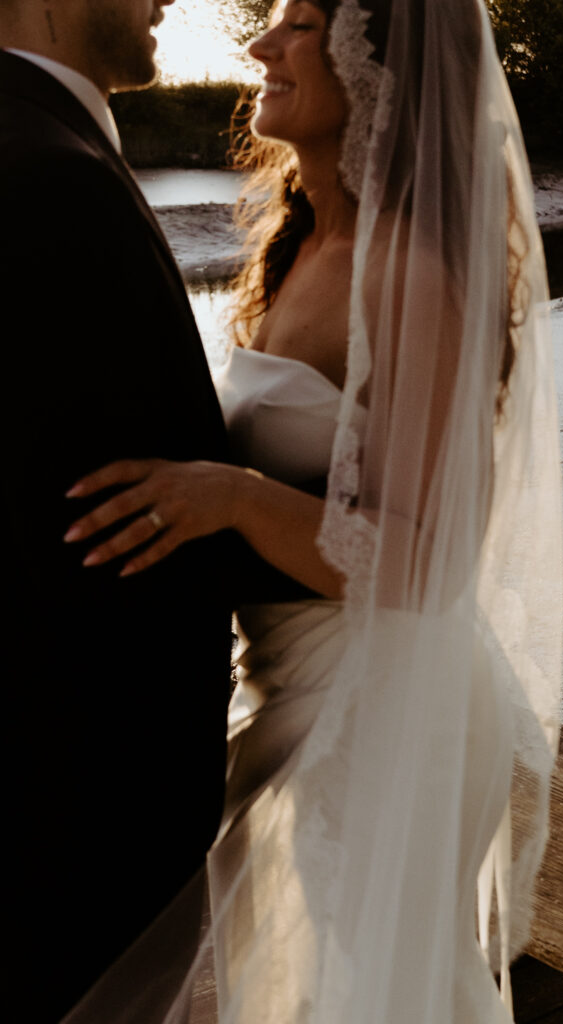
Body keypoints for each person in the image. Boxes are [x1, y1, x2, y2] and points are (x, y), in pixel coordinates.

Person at [65, 0, 563, 1020]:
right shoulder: (300, 246)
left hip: (381, 705)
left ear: (376, 70)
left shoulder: (410, 271)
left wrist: (235, 498)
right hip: (292, 687)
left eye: (297, 25)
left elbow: (431, 566)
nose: (261, 45)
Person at [0, 2, 315, 1021]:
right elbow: (95, 503)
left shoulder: (47, 146)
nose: (164, 0)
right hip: (80, 806)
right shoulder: (46, 174)